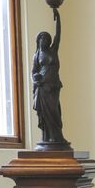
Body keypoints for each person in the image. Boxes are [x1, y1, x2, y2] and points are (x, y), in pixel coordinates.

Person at [31, 8, 67, 146]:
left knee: (54, 112)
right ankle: (47, 138)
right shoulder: (37, 56)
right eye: (42, 38)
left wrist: (58, 18)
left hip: (53, 87)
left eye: (47, 38)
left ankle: (57, 137)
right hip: (42, 88)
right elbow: (33, 72)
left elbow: (58, 35)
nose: (44, 40)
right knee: (45, 116)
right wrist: (35, 78)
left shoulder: (53, 50)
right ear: (38, 41)